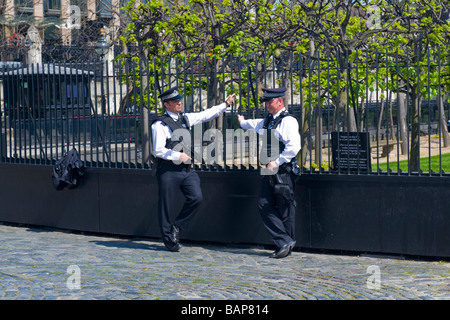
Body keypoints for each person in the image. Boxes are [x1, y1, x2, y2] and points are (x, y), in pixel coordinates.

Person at [152, 86, 236, 252]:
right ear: (166, 104)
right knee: (166, 207)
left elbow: (205, 115)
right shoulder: (159, 125)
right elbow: (158, 150)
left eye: (179, 100)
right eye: (175, 101)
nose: (179, 102)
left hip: (187, 170)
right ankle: (169, 240)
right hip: (169, 170)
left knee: (196, 197)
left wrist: (225, 104)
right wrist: (177, 156)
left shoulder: (185, 119)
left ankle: (177, 227)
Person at [237, 87, 301, 259]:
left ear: (280, 101)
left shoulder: (288, 121)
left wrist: (278, 161)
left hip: (283, 170)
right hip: (269, 170)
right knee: (264, 204)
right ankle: (284, 241)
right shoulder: (268, 121)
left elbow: (294, 147)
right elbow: (253, 124)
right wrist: (242, 122)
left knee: (285, 207)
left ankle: (285, 245)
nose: (267, 104)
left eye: (270, 101)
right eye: (266, 101)